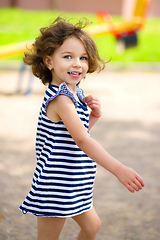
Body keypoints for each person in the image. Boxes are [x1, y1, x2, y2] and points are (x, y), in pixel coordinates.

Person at [19, 17, 145, 240]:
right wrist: (118, 169)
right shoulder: (61, 99)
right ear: (49, 62)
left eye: (83, 58)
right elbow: (82, 141)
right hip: (55, 185)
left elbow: (70, 134)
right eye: (68, 56)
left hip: (74, 183)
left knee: (92, 227)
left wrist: (92, 117)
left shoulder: (73, 94)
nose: (77, 63)